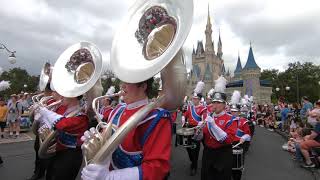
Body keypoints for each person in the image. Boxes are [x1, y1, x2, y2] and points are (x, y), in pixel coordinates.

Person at [81, 78, 172, 180]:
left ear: (143, 86)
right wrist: (94, 142)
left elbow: (157, 168)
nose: (122, 86)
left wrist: (110, 177)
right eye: (122, 81)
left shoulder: (156, 117)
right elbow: (106, 142)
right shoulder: (118, 110)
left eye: (128, 81)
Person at [34, 93, 88, 180]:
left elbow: (61, 124)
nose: (61, 97)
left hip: (70, 156)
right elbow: (51, 124)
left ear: (73, 96)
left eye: (64, 94)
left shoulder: (82, 117)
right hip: (57, 151)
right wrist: (40, 117)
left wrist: (45, 112)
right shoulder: (62, 109)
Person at [195, 90, 236, 180]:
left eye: (218, 103)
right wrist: (199, 131)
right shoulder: (207, 117)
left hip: (223, 155)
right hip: (208, 153)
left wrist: (213, 125)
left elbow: (228, 140)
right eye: (214, 102)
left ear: (224, 104)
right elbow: (199, 138)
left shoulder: (231, 119)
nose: (215, 105)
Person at [182, 92, 207, 176]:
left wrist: (200, 125)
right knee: (188, 147)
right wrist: (183, 118)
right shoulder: (190, 107)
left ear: (199, 100)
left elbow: (204, 119)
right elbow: (185, 115)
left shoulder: (203, 108)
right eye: (193, 98)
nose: (194, 100)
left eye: (196, 99)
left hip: (197, 129)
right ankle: (193, 161)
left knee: (195, 149)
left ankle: (194, 167)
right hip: (189, 129)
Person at [230, 105, 251, 180]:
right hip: (228, 144)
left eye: (235, 111)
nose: (233, 113)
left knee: (237, 166)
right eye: (232, 111)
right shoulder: (227, 120)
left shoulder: (243, 121)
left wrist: (243, 138)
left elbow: (248, 134)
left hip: (238, 144)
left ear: (238, 112)